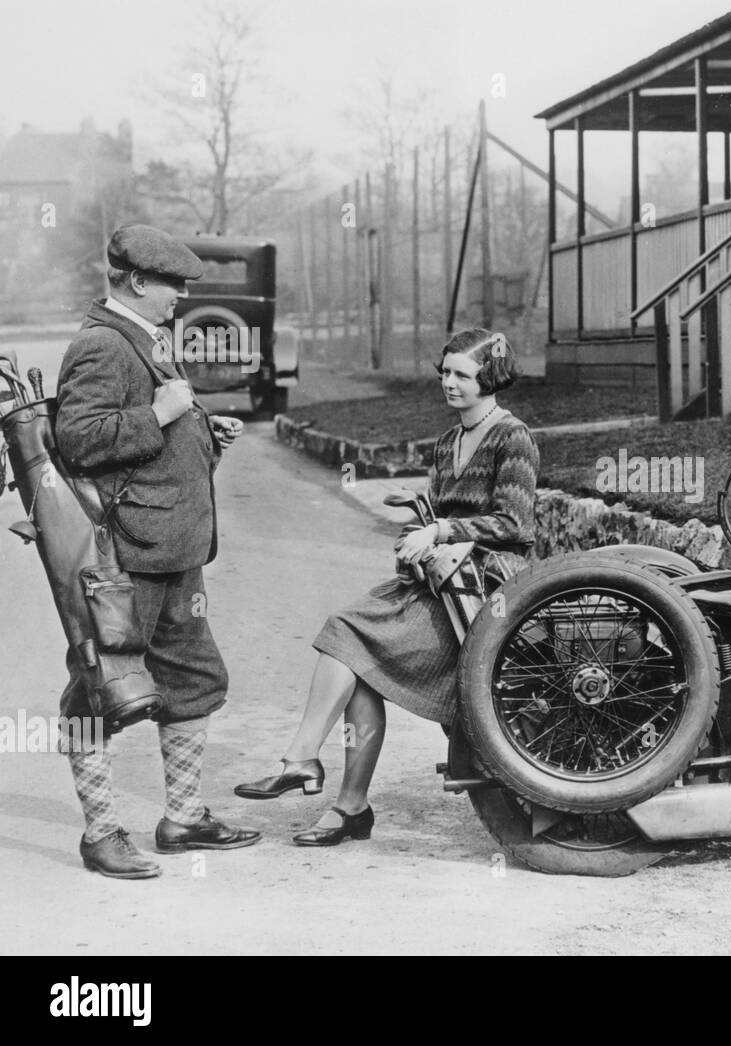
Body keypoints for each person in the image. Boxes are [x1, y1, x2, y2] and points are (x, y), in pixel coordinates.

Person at [234, 328, 539, 845]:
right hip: (441, 582)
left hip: (486, 592)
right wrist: (419, 525)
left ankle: (304, 760)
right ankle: (349, 805)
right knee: (360, 665)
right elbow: (443, 516)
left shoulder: (513, 437)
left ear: (489, 379)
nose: (449, 383)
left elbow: (516, 526)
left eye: (462, 375)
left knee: (348, 633)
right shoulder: (448, 441)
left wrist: (443, 530)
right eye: (444, 372)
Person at [55, 224, 261, 879]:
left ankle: (182, 817)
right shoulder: (103, 344)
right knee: (101, 691)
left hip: (172, 550)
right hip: (127, 556)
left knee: (193, 681)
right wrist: (168, 416)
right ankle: (101, 832)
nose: (183, 294)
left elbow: (149, 436)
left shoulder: (144, 338)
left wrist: (201, 434)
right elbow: (80, 438)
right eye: (175, 283)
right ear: (139, 282)